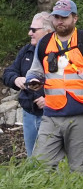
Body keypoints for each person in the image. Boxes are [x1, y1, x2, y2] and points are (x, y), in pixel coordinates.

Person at [23, 0, 83, 173]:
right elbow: (35, 70)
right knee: (39, 167)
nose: (60, 21)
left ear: (74, 18)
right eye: (56, 17)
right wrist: (33, 81)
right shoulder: (44, 43)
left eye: (64, 17)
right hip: (51, 116)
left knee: (81, 170)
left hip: (82, 116)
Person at [3, 13, 53, 157]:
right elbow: (8, 73)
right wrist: (15, 79)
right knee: (33, 160)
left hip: (51, 114)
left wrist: (50, 99)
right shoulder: (27, 50)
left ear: (48, 32)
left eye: (34, 30)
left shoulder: (59, 53)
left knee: (50, 160)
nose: (29, 33)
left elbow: (69, 82)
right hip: (29, 113)